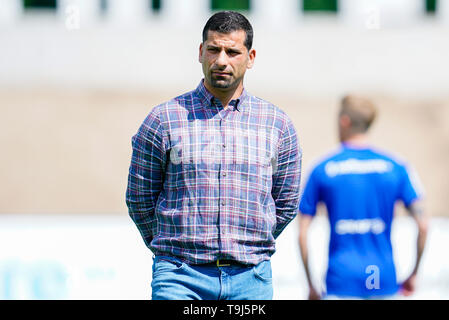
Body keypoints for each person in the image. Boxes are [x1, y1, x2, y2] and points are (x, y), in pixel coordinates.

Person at [126, 11, 301, 300]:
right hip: (180, 277)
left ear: (251, 57)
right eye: (213, 49)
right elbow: (139, 197)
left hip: (251, 279)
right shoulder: (163, 119)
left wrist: (249, 247)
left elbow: (286, 203)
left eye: (232, 52)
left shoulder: (278, 125)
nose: (221, 60)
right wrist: (172, 249)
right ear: (200, 52)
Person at [298, 95, 428, 299]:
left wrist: (311, 284)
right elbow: (423, 226)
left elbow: (302, 233)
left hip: (341, 279)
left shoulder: (322, 168)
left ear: (344, 121)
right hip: (381, 278)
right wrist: (414, 273)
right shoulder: (396, 167)